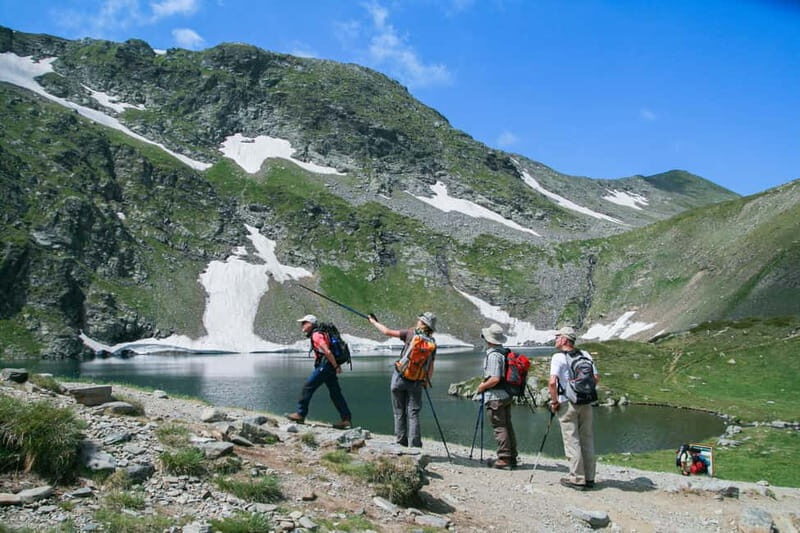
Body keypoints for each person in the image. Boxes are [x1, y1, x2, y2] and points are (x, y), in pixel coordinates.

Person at [368, 312, 437, 447]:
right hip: (417, 381)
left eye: (419, 320)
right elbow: (431, 366)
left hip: (400, 377)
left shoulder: (410, 334)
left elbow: (387, 332)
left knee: (399, 411)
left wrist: (373, 322)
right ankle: (415, 444)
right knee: (413, 413)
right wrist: (426, 381)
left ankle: (401, 442)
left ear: (422, 323)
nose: (417, 321)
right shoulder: (432, 343)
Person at [548, 326, 599, 490]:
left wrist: (554, 402)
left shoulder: (558, 357)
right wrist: (585, 391)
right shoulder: (585, 354)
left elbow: (552, 382)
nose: (555, 339)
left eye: (557, 337)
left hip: (567, 403)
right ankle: (590, 478)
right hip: (586, 403)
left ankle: (577, 478)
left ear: (564, 340)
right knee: (587, 439)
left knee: (572, 440)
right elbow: (596, 377)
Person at [286, 314, 352, 429]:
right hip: (329, 366)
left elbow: (327, 351)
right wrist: (335, 366)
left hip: (325, 366)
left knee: (308, 387)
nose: (302, 325)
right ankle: (346, 419)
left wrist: (336, 366)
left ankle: (300, 414)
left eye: (304, 323)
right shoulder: (321, 333)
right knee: (335, 393)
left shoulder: (316, 335)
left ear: (310, 324)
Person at [475, 323, 518, 469]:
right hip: (506, 395)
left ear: (489, 340)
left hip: (495, 397)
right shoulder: (503, 352)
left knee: (499, 427)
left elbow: (495, 379)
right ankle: (512, 456)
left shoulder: (493, 355)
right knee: (507, 425)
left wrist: (482, 387)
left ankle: (504, 459)